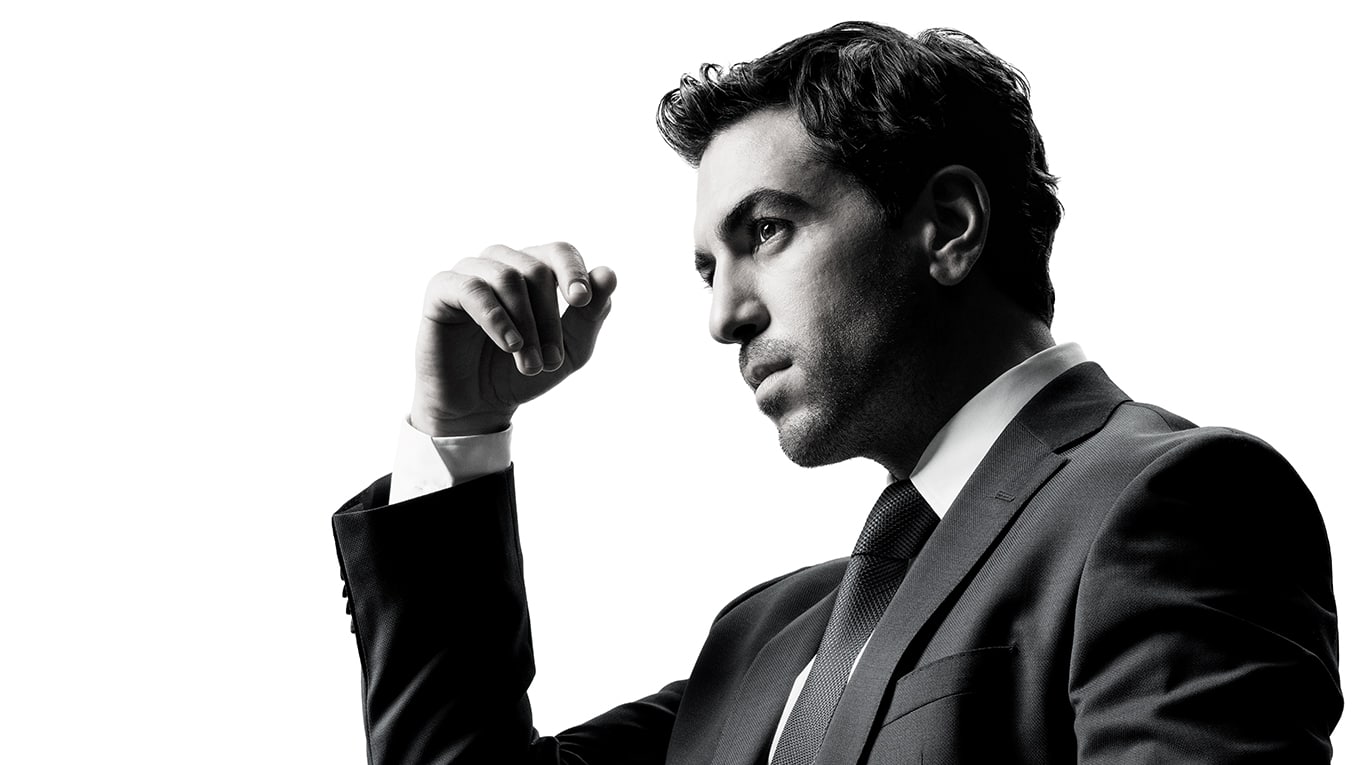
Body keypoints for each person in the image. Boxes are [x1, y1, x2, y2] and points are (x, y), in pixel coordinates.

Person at [330, 21, 1341, 763]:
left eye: (765, 231)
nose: (724, 317)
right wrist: (459, 426)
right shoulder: (760, 641)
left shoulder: (1168, 502)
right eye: (707, 269)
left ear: (948, 226)